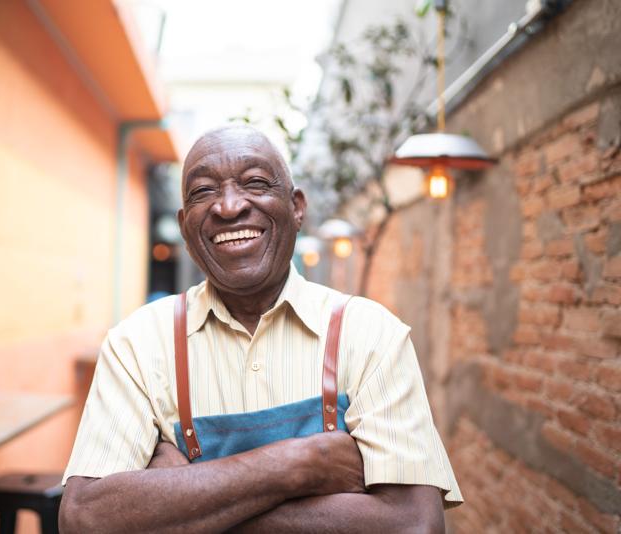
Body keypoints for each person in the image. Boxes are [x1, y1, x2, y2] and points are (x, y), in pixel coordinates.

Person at [59, 125, 462, 533]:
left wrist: (180, 501)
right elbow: (85, 519)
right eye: (203, 191)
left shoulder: (371, 335)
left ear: (297, 207)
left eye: (255, 183)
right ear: (184, 226)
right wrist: (301, 465)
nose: (229, 206)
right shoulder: (138, 344)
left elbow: (414, 524)